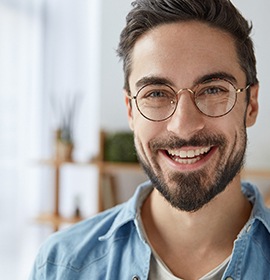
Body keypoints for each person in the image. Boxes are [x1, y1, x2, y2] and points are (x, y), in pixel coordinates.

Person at [29, 0, 270, 279]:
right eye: (156, 93)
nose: (184, 126)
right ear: (131, 110)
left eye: (213, 90)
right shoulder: (61, 265)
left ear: (251, 104)